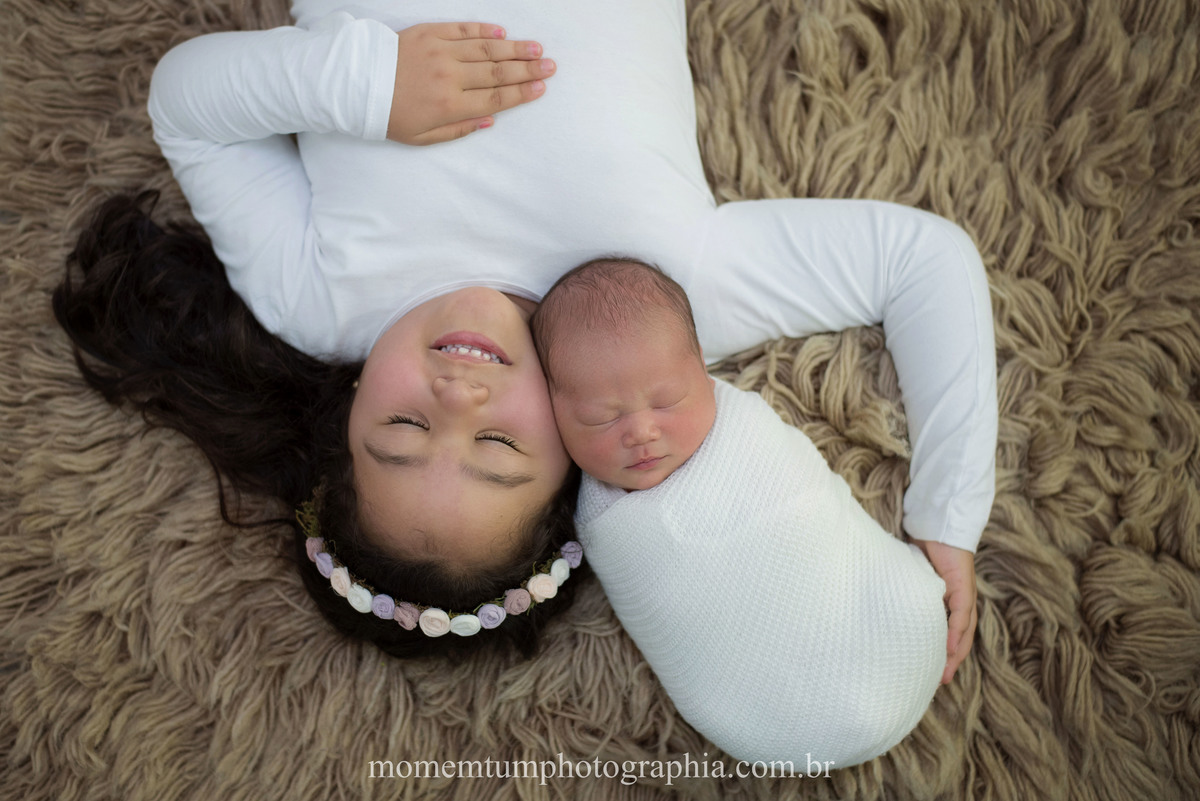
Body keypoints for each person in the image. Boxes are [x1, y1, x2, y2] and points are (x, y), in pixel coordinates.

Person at [54, 0, 995, 683]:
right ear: (574, 455)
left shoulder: (321, 304)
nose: (456, 401)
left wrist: (368, 84)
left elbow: (186, 100)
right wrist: (946, 516)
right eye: (498, 447)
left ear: (346, 403)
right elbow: (924, 262)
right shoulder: (658, 310)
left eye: (402, 428)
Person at [531, 257, 947, 766]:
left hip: (881, 620)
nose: (640, 431)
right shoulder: (603, 522)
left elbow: (811, 507)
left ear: (701, 368)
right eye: (601, 417)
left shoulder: (745, 430)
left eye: (667, 401)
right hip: (770, 723)